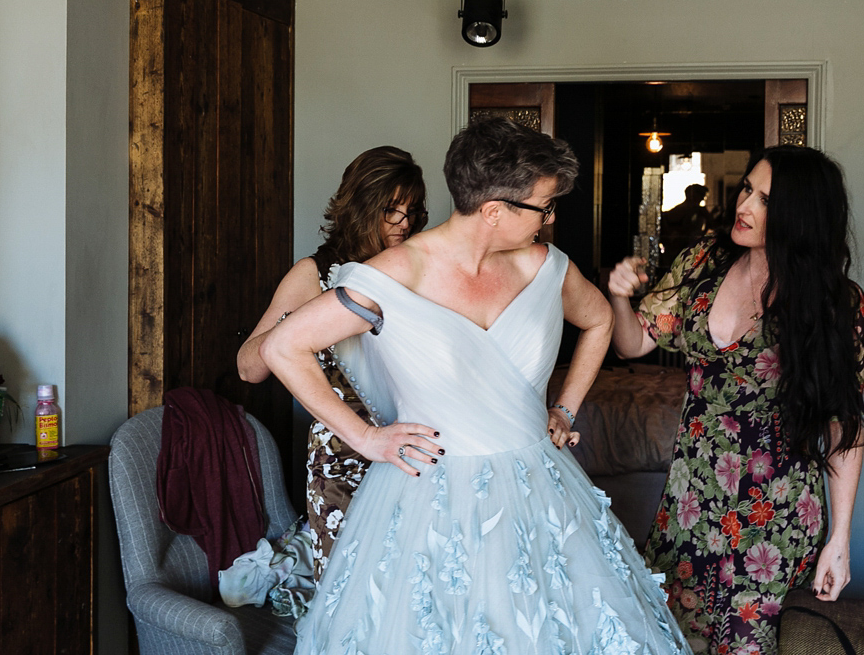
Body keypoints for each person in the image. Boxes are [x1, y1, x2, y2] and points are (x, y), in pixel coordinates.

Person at [262, 117, 692, 655]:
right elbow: (280, 348)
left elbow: (601, 320)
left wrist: (565, 408)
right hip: (427, 496)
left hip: (541, 488)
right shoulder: (391, 275)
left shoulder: (544, 265)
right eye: (545, 206)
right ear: (494, 211)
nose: (552, 217)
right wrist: (367, 438)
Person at [608, 146, 864, 655]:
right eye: (747, 189)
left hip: (776, 521)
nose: (744, 205)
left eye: (766, 200)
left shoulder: (835, 303)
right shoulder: (701, 262)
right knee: (668, 642)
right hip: (688, 507)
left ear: (801, 215)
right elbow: (632, 343)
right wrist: (620, 298)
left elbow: (844, 429)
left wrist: (840, 541)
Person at [237, 145, 427, 581]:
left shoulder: (416, 268)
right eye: (390, 211)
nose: (402, 224)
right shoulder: (315, 273)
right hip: (342, 455)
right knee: (347, 585)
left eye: (411, 212)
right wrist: (307, 319)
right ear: (360, 206)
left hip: (411, 443)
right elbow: (250, 367)